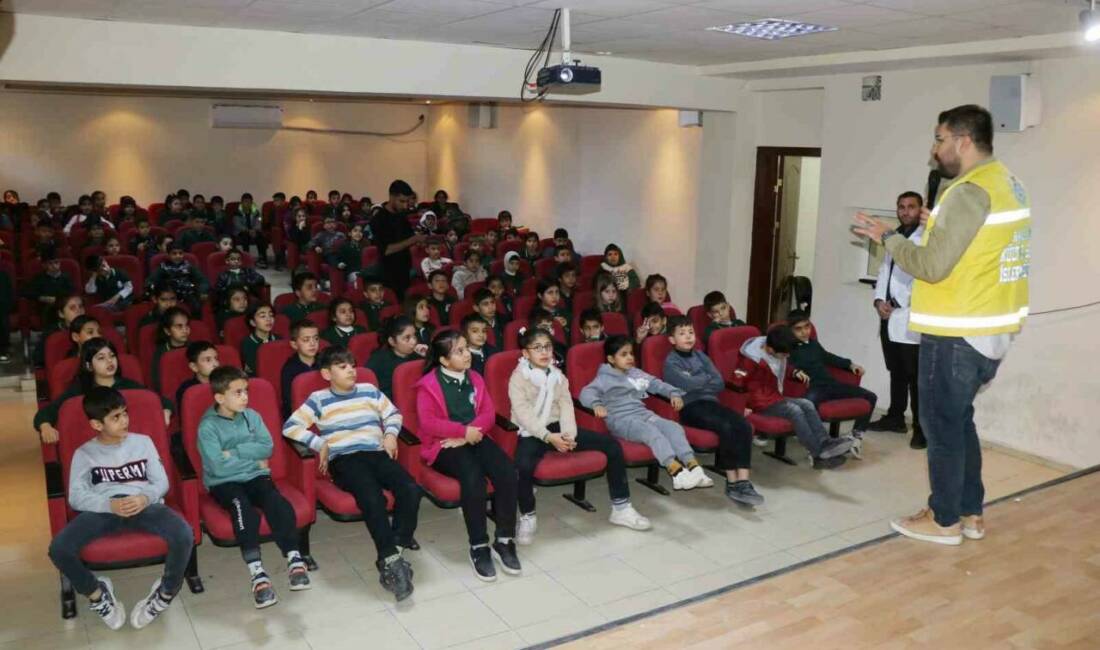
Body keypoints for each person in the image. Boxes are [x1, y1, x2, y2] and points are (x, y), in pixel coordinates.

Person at [854, 104, 1030, 545]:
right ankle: (970, 513)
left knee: (940, 428)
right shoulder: (1007, 183)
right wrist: (938, 226)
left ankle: (944, 519)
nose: (934, 149)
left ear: (963, 141)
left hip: (957, 333)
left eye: (939, 138)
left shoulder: (969, 191)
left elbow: (931, 266)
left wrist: (887, 237)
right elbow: (980, 250)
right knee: (959, 421)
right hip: (988, 331)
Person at [48, 386, 193, 630]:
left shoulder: (143, 442)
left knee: (184, 533)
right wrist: (109, 504)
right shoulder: (84, 453)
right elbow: (75, 496)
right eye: (116, 417)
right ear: (96, 425)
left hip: (143, 503)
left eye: (125, 413)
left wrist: (145, 498)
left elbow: (161, 482)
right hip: (104, 508)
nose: (124, 420)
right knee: (59, 549)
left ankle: (165, 593)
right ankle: (98, 594)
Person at [283, 348, 419, 600]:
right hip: (344, 459)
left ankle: (394, 551)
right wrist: (319, 443)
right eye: (343, 366)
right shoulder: (318, 398)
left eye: (352, 365)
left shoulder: (369, 390)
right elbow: (291, 426)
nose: (351, 370)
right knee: (372, 498)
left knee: (410, 488)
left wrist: (390, 434)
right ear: (326, 373)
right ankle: (391, 558)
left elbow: (393, 413)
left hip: (376, 452)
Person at [511, 328, 650, 545]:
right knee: (522, 466)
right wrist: (549, 437)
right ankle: (527, 516)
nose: (544, 352)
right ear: (526, 353)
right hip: (532, 430)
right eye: (537, 348)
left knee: (611, 446)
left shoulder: (558, 376)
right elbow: (523, 414)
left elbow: (567, 407)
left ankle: (621, 508)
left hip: (558, 426)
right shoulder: (519, 377)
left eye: (547, 346)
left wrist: (569, 436)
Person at [415, 331, 521, 581]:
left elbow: (489, 413)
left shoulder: (474, 378)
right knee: (473, 478)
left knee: (507, 471)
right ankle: (478, 546)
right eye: (459, 351)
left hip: (475, 437)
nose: (467, 354)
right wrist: (462, 432)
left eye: (466, 349)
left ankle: (504, 539)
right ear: (443, 360)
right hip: (444, 445)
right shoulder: (428, 385)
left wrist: (471, 433)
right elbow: (428, 423)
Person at [201, 366, 311, 608]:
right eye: (237, 393)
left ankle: (294, 558)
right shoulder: (208, 427)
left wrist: (233, 452)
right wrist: (250, 456)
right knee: (242, 509)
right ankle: (257, 572)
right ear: (220, 397)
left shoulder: (253, 416)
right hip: (224, 483)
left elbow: (267, 448)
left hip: (255, 476)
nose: (245, 397)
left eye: (246, 391)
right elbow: (217, 467)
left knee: (276, 502)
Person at [579, 336, 710, 491]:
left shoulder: (635, 373)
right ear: (611, 359)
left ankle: (694, 467)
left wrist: (673, 393)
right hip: (622, 421)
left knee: (673, 427)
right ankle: (676, 472)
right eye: (624, 354)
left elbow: (655, 383)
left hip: (642, 414)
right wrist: (596, 404)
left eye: (631, 353)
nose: (630, 357)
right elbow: (585, 394)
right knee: (651, 432)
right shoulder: (604, 378)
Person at [662, 316, 763, 506]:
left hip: (710, 402)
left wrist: (696, 379)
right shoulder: (671, 362)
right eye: (682, 334)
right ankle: (732, 482)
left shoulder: (701, 355)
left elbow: (718, 382)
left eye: (691, 332)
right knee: (725, 426)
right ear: (672, 340)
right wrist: (703, 379)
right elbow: (686, 384)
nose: (688, 337)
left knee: (743, 424)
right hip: (690, 407)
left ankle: (744, 481)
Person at [732, 326, 853, 469]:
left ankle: (825, 442)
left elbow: (779, 366)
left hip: (772, 396)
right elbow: (736, 382)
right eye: (784, 355)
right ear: (770, 350)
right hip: (758, 402)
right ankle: (817, 454)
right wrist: (742, 405)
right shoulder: (749, 359)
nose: (786, 357)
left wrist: (794, 372)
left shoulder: (774, 347)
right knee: (794, 410)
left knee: (807, 404)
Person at [868, 191, 926, 449]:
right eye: (901, 207)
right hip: (888, 316)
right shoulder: (893, 236)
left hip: (910, 316)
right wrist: (879, 300)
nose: (905, 211)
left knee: (916, 376)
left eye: (911, 207)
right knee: (896, 371)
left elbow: (924, 277)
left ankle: (921, 428)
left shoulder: (925, 238)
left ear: (920, 209)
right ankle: (895, 417)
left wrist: (899, 303)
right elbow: (885, 271)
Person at [35, 338, 172, 444]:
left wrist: (166, 410)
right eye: (101, 358)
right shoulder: (79, 390)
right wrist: (45, 426)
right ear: (89, 366)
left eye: (112, 356)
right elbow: (46, 413)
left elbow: (162, 401)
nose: (109, 361)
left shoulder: (129, 385)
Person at [786, 310, 876, 459]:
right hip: (813, 388)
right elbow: (785, 365)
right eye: (798, 329)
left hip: (831, 385)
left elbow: (828, 357)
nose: (804, 332)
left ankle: (856, 437)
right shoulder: (789, 348)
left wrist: (850, 364)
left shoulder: (813, 343)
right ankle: (815, 445)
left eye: (807, 327)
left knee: (870, 397)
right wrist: (795, 371)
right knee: (809, 402)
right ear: (790, 331)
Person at [370, 180, 421, 299]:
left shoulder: (401, 216)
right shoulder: (379, 219)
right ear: (391, 197)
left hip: (404, 269)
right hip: (388, 273)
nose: (405, 205)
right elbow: (386, 250)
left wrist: (418, 241)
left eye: (407, 202)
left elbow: (410, 237)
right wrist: (413, 240)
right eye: (402, 201)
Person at [366, 316, 427, 398]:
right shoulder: (378, 360)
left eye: (414, 335)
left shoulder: (418, 356)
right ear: (392, 341)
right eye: (407, 338)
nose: (414, 341)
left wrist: (428, 356)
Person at [146, 243, 208, 312]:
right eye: (174, 253)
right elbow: (150, 281)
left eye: (180, 253)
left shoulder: (189, 266)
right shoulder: (163, 268)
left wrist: (202, 291)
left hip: (188, 295)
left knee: (197, 307)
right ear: (168, 255)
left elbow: (202, 280)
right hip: (169, 295)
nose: (178, 256)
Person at [280, 320, 320, 416]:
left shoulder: (326, 361)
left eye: (316, 338)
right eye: (306, 340)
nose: (312, 343)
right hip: (302, 415)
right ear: (294, 344)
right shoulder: (289, 369)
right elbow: (290, 403)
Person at [150, 307, 193, 393]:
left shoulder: (194, 347)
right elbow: (158, 382)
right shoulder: (161, 353)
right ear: (167, 331)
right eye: (179, 326)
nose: (185, 330)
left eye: (187, 325)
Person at [24, 251, 75, 322]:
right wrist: (41, 298)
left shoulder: (66, 277)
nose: (54, 266)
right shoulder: (39, 278)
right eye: (50, 263)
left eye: (56, 262)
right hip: (47, 308)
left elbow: (72, 291)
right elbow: (26, 292)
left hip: (63, 305)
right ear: (44, 265)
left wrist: (59, 299)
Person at [175, 341, 220, 410]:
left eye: (216, 358)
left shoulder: (225, 382)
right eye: (208, 360)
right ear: (194, 367)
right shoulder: (187, 390)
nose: (216, 364)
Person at [240, 303, 278, 376]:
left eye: (271, 315)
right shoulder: (247, 343)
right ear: (253, 322)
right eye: (263, 316)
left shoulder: (279, 339)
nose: (269, 319)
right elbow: (257, 369)